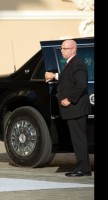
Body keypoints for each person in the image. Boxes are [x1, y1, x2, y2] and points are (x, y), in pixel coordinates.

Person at [45, 39, 91, 177]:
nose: (61, 51)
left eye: (64, 49)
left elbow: (81, 85)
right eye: (61, 49)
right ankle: (82, 168)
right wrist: (55, 76)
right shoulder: (71, 63)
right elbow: (68, 77)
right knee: (77, 139)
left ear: (73, 49)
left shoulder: (78, 64)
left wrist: (69, 99)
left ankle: (83, 169)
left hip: (76, 109)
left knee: (79, 140)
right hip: (74, 110)